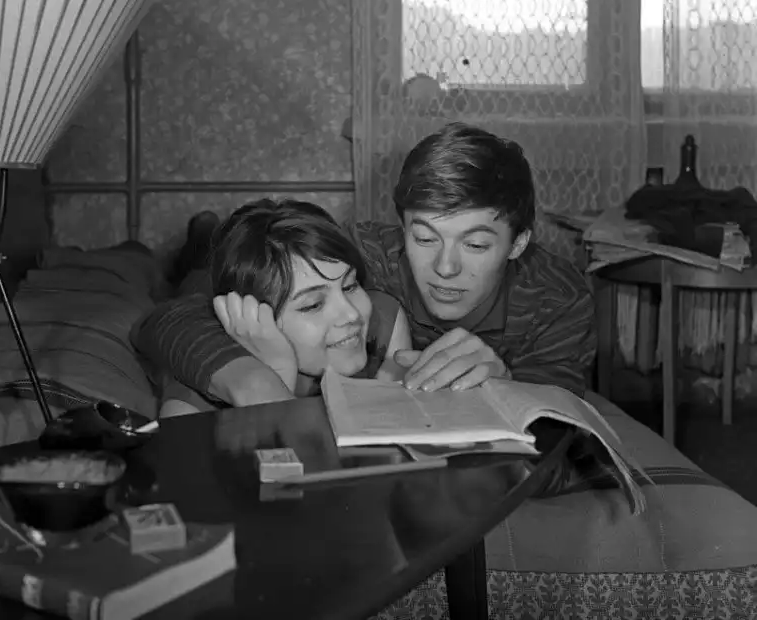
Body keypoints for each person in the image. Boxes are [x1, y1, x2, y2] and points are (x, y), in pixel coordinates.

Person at [133, 122, 596, 410]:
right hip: (221, 269)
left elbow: (563, 436)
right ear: (401, 226)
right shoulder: (365, 255)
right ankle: (202, 241)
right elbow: (180, 315)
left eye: (475, 244)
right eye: (424, 237)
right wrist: (257, 383)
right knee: (204, 267)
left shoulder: (559, 301)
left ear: (518, 243)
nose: (445, 267)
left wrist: (507, 388)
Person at [159, 198, 411, 416]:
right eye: (313, 305)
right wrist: (278, 378)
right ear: (251, 317)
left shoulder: (383, 322)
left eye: (350, 285)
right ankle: (199, 242)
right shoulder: (197, 395)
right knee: (193, 276)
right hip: (200, 287)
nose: (351, 314)